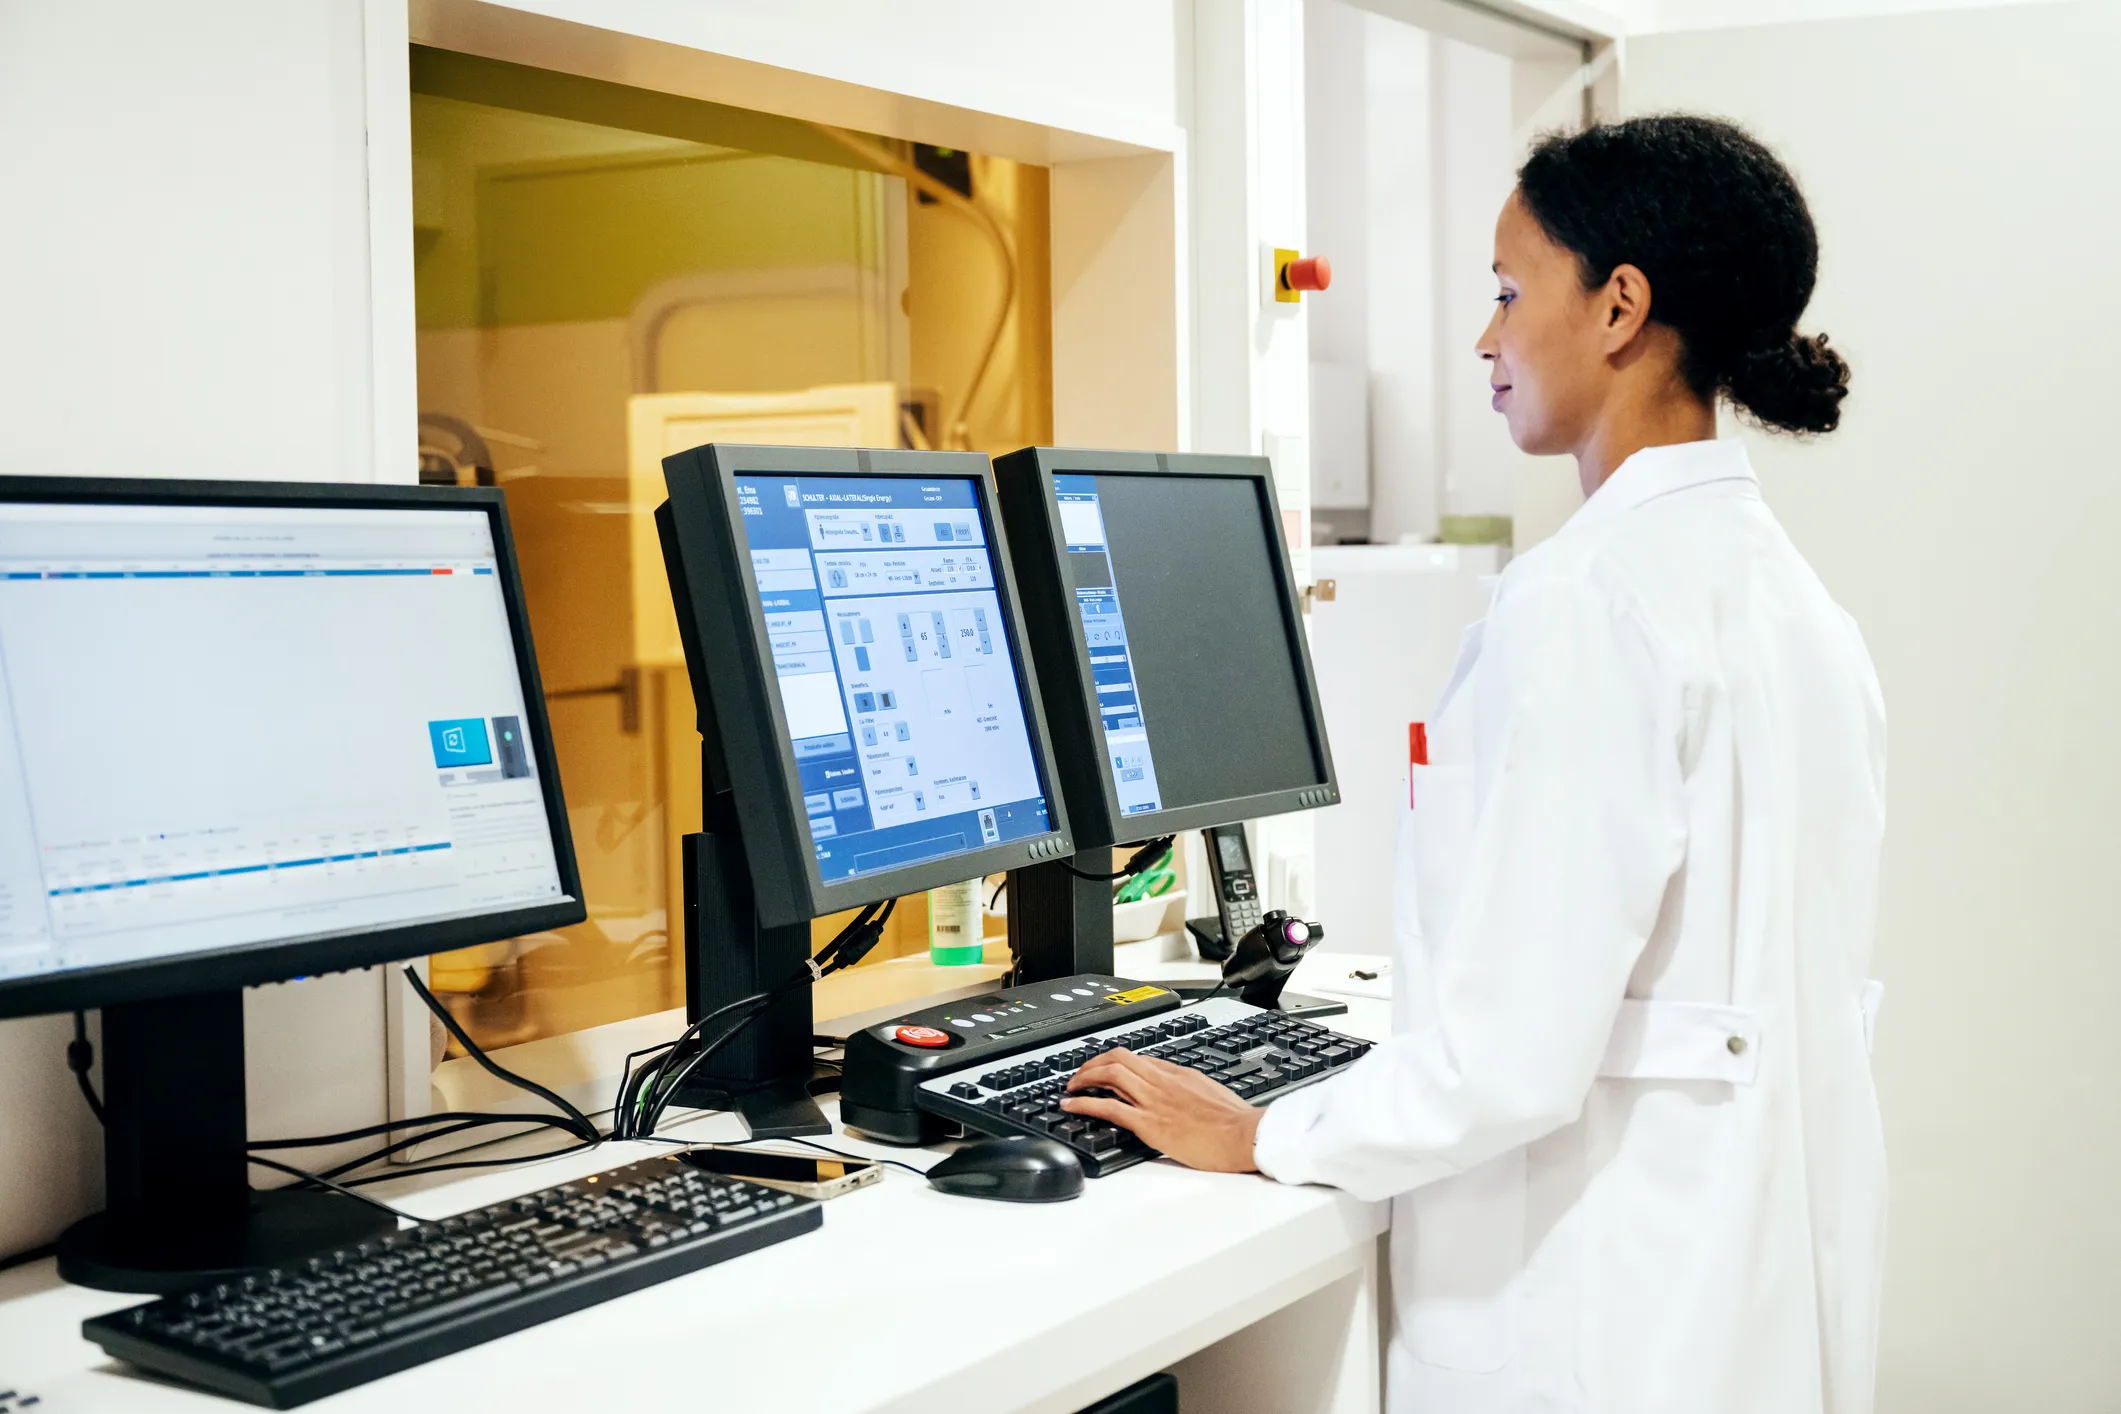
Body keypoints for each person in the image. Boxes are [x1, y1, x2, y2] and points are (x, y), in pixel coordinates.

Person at [1062, 115, 1887, 1413]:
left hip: (1602, 1326)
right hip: (1734, 1310)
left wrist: (1261, 1127)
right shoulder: (1794, 604)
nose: (1486, 338)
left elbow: (1508, 1055)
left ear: (1620, 307)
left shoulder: (1590, 607)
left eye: (1509, 293)